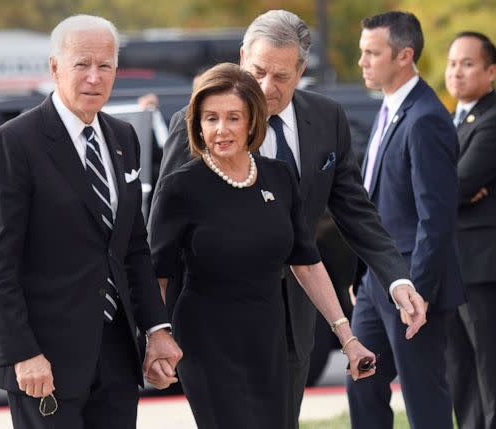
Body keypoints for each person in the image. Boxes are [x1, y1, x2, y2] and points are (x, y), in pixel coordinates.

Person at [153, 10, 427, 427]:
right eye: (258, 70)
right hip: (211, 320)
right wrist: (156, 329)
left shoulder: (326, 119)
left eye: (281, 76)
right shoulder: (197, 125)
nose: (266, 87)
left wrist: (396, 277)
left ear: (302, 70)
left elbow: (354, 209)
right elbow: (160, 242)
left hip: (294, 317)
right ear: (243, 57)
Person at [0, 15, 182, 429]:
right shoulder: (15, 143)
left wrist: (157, 329)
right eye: (81, 64)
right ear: (54, 67)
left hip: (117, 356)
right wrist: (21, 353)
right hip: (43, 362)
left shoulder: (124, 138)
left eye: (105, 66)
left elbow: (133, 248)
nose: (94, 77)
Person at [149, 62, 376, 428]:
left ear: (253, 121)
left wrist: (347, 338)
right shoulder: (181, 187)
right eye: (210, 119)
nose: (221, 129)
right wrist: (156, 339)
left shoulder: (280, 176)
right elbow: (156, 272)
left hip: (270, 339)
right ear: (197, 124)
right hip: (207, 343)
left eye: (233, 118)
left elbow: (306, 262)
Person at [348, 11, 465, 429]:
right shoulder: (390, 109)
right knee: (362, 384)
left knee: (423, 396)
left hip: (413, 289)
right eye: (362, 52)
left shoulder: (426, 117)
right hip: (375, 284)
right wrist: (361, 272)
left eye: (371, 53)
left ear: (404, 56)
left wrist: (421, 292)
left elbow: (435, 217)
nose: (362, 62)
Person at [445, 31, 496, 429]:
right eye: (452, 63)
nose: (456, 72)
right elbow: (431, 186)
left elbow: (453, 186)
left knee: (495, 377)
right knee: (461, 376)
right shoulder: (448, 122)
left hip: (485, 265)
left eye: (468, 63)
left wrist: (447, 188)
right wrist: (446, 188)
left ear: (491, 71)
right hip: (450, 267)